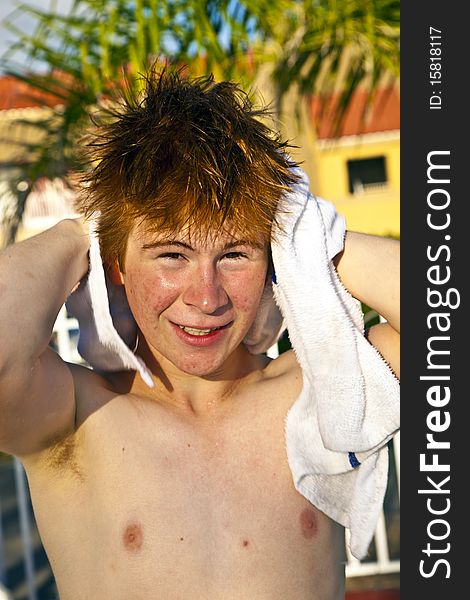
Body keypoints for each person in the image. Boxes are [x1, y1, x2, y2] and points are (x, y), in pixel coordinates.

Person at [0, 68, 399, 600]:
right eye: (172, 254)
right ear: (115, 262)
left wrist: (315, 240)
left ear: (277, 259)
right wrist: (82, 233)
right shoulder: (78, 419)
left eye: (234, 254)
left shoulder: (316, 393)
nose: (206, 298)